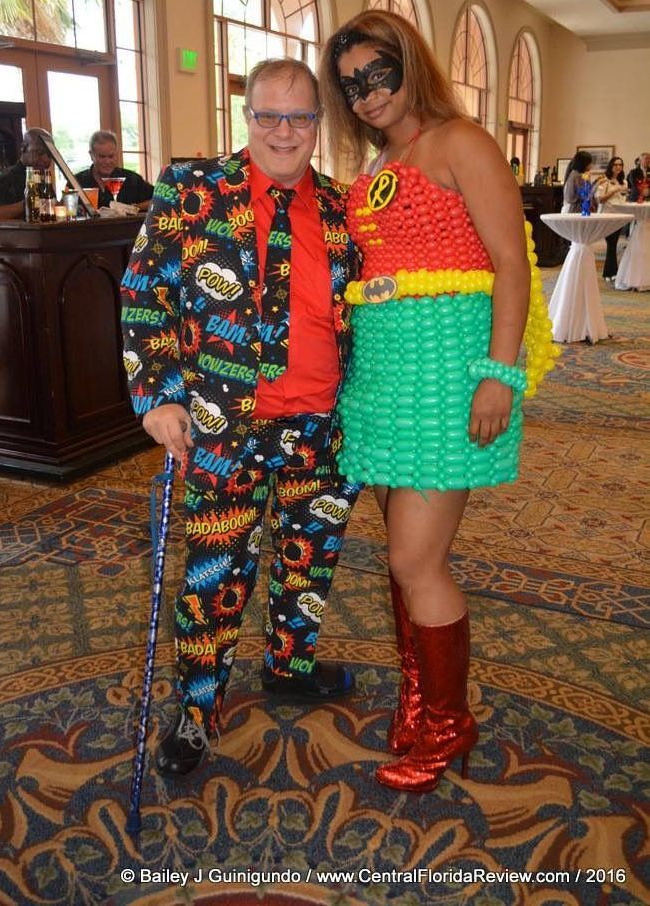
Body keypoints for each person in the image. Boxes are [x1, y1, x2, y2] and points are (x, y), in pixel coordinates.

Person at [319, 10, 555, 793]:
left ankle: (449, 723)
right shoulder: (382, 160)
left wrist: (500, 373)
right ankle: (421, 698)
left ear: (408, 64)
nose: (365, 95)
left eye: (377, 75)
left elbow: (510, 266)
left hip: (448, 372)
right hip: (384, 378)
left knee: (413, 558)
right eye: (349, 85)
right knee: (406, 555)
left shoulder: (461, 141)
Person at [121, 58, 361, 778]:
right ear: (246, 115)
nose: (284, 131)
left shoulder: (347, 208)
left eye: (300, 117)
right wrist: (157, 395)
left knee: (307, 562)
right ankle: (196, 714)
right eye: (268, 116)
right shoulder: (191, 191)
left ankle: (290, 664)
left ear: (319, 122)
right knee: (213, 576)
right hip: (223, 427)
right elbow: (143, 296)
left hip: (322, 425)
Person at [74, 130, 153, 210]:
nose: (107, 162)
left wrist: (134, 208)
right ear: (91, 155)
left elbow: (160, 200)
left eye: (111, 156)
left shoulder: (132, 179)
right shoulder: (76, 182)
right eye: (102, 157)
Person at [0, 128, 53, 220]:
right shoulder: (8, 177)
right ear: (24, 147)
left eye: (49, 154)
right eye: (40, 152)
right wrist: (28, 203)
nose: (46, 159)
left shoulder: (42, 180)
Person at [594, 157, 627, 281]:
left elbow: (623, 198)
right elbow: (600, 199)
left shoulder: (624, 182)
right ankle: (610, 273)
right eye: (615, 164)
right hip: (607, 215)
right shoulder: (604, 181)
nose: (618, 167)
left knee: (613, 244)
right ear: (611, 166)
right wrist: (614, 191)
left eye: (620, 164)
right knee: (611, 243)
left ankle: (610, 272)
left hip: (620, 216)